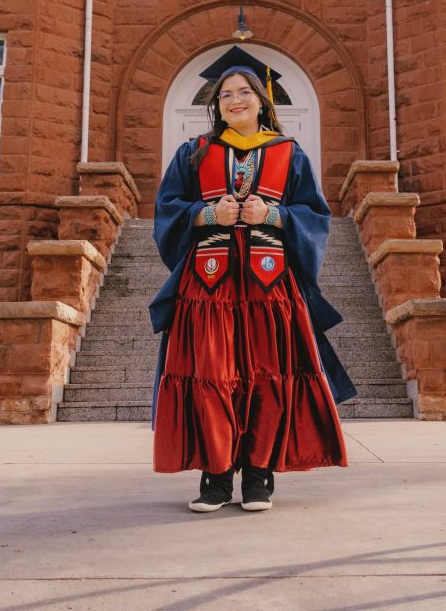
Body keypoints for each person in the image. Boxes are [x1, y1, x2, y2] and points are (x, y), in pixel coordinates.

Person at [149, 46, 356, 513]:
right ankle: (216, 477)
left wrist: (276, 215)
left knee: (267, 375)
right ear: (216, 105)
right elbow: (166, 210)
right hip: (208, 288)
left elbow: (315, 215)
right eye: (225, 95)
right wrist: (205, 213)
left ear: (262, 101)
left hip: (270, 286)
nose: (234, 100)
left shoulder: (289, 153)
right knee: (212, 374)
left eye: (244, 92)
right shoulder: (193, 153)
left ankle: (259, 476)